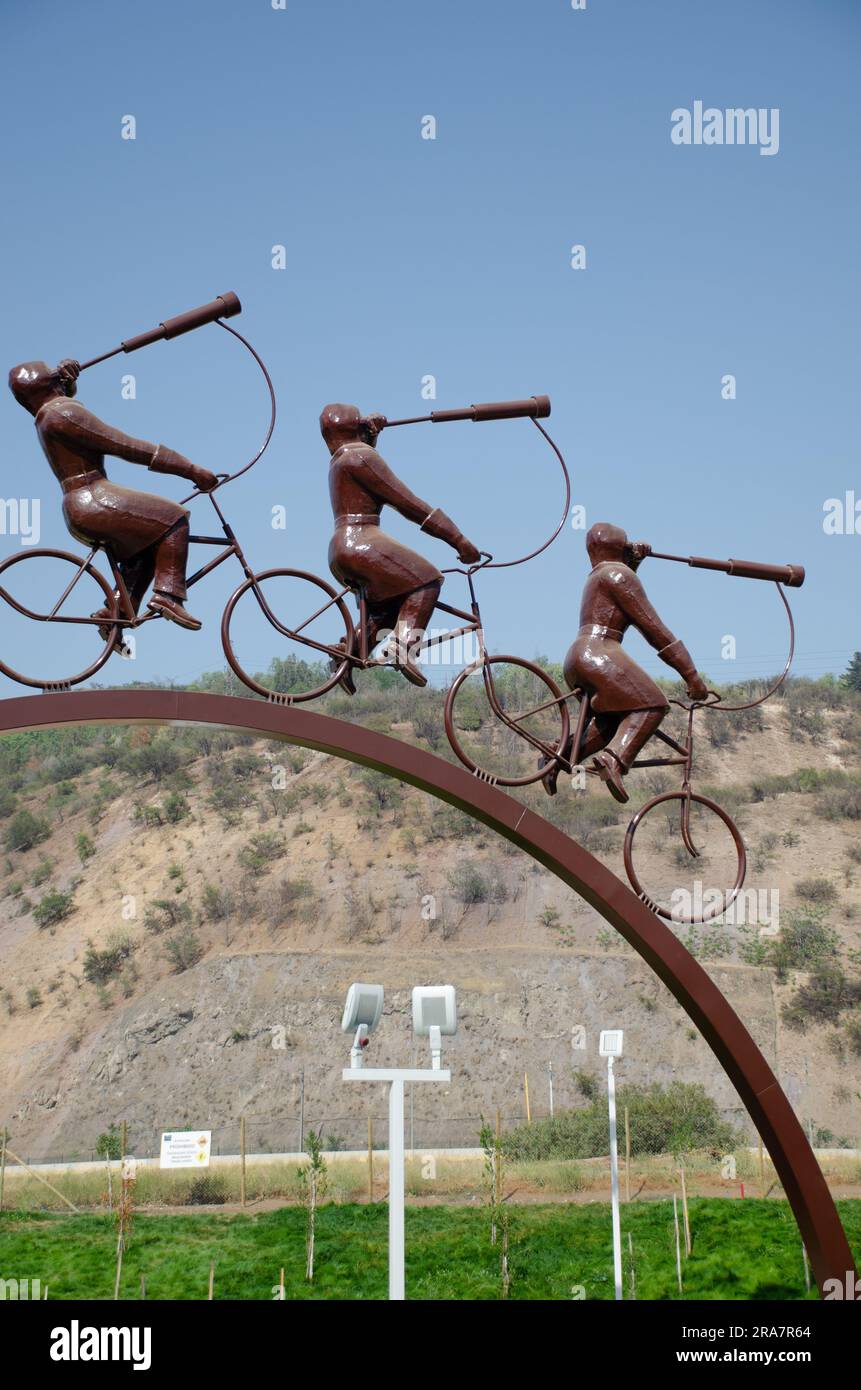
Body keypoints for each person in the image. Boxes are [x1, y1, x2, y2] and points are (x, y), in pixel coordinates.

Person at [8, 357, 217, 635]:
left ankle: (115, 612)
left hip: (79, 505)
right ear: (48, 381)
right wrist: (190, 470)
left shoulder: (48, 414)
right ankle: (169, 596)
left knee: (146, 546)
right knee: (173, 518)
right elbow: (125, 445)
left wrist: (67, 386)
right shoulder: (63, 413)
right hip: (94, 497)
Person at [541, 521, 709, 801]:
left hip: (578, 657)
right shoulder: (618, 575)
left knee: (609, 724)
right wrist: (691, 675)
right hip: (600, 652)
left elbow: (619, 599)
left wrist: (634, 562)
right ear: (620, 547)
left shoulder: (597, 576)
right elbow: (655, 631)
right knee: (653, 704)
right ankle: (615, 760)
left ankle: (553, 759)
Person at [321, 403, 481, 688]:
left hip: (340, 550)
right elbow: (408, 504)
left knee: (390, 607)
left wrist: (370, 436)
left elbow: (369, 476)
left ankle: (347, 655)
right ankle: (405, 647)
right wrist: (458, 540)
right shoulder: (360, 457)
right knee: (427, 580)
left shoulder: (340, 459)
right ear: (356, 427)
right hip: (362, 541)